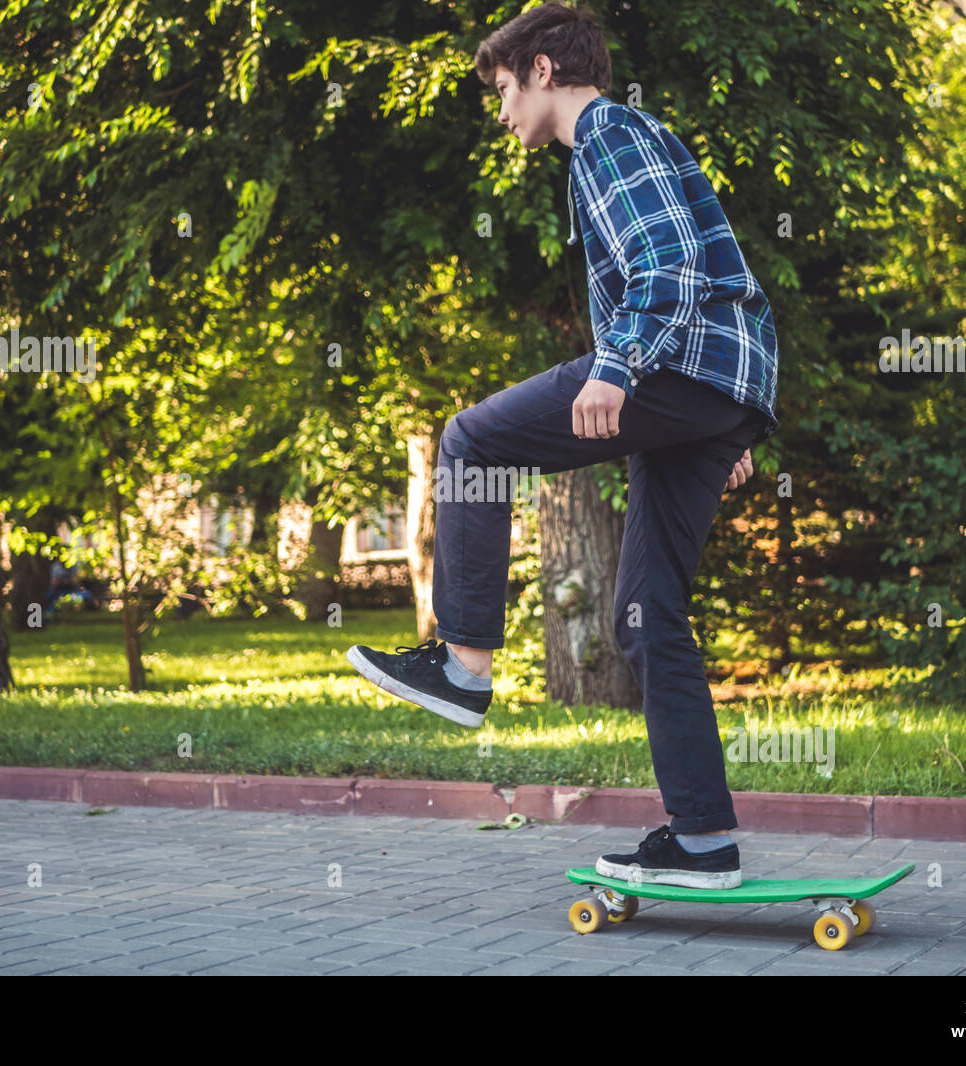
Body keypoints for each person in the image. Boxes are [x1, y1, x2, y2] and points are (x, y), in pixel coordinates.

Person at [348, 2, 778, 890]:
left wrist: (617, 368)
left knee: (469, 441)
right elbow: (707, 267)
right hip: (713, 387)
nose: (501, 112)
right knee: (645, 617)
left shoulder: (608, 134)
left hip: (681, 371)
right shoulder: (622, 142)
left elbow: (668, 265)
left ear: (543, 70)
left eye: (503, 90)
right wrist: (726, 423)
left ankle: (463, 663)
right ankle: (703, 840)